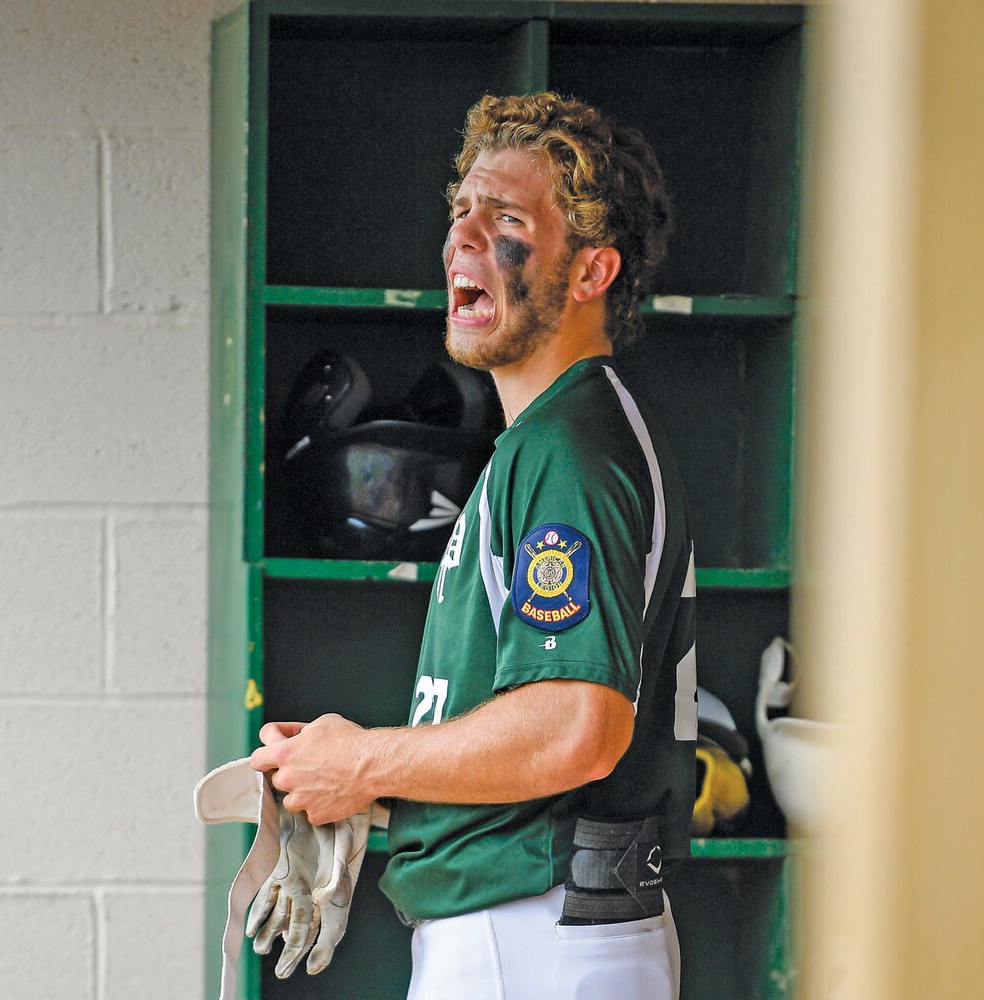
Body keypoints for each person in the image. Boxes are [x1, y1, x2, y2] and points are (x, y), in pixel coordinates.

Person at [248, 93, 697, 1000]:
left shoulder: (567, 448)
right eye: (460, 212)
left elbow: (579, 727)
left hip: (536, 935)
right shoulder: (547, 442)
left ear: (589, 271)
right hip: (539, 929)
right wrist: (353, 779)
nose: (462, 238)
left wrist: (366, 760)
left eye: (506, 220)